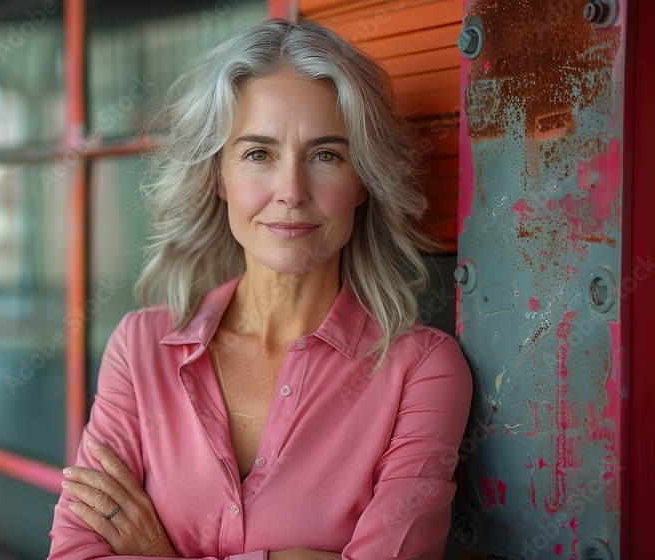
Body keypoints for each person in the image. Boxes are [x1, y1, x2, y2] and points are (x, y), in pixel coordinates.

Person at [47, 18, 473, 560]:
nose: (291, 191)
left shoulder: (422, 369)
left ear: (362, 181)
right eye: (257, 154)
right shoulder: (140, 348)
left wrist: (158, 551)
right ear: (218, 178)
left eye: (327, 155)